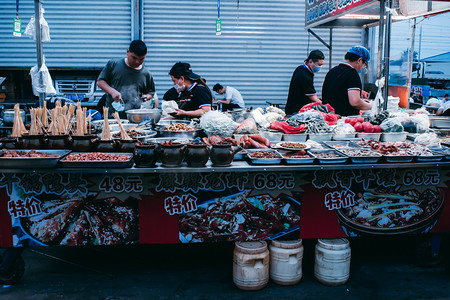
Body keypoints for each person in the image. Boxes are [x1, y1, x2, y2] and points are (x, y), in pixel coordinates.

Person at [97, 40, 157, 117]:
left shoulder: (146, 74)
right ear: (127, 52)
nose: (137, 62)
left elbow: (150, 93)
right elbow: (100, 82)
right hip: (113, 117)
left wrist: (146, 97)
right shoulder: (114, 64)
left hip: (135, 119)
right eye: (134, 58)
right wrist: (112, 92)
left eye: (141, 59)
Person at [321, 46, 373, 116]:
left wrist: (362, 101)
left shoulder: (333, 71)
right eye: (364, 64)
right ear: (359, 60)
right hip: (344, 118)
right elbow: (355, 102)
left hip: (330, 115)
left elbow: (339, 95)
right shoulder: (352, 74)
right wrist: (371, 106)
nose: (363, 67)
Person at [285, 50, 325, 115]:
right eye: (319, 65)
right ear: (310, 61)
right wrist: (323, 105)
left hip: (296, 109)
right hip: (296, 111)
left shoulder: (300, 69)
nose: (319, 67)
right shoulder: (304, 75)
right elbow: (312, 97)